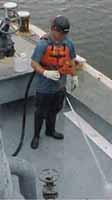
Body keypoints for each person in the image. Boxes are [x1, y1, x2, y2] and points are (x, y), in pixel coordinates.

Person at [31, 15, 79, 149]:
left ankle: (50, 130)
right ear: (53, 29)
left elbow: (71, 61)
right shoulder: (42, 44)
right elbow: (34, 63)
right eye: (60, 33)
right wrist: (45, 72)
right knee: (40, 112)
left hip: (60, 86)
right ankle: (36, 135)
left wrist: (74, 76)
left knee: (55, 109)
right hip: (44, 87)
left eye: (65, 33)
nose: (62, 36)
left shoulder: (69, 44)